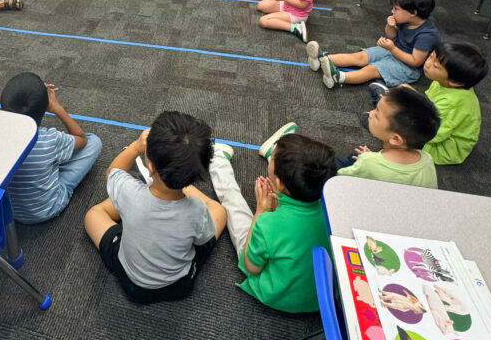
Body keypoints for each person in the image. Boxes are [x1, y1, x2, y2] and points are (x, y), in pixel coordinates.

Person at [84, 111, 227, 304]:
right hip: (179, 286)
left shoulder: (129, 193)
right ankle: (172, 183)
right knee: (219, 211)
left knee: (93, 214)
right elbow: (202, 239)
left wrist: (135, 146)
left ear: (150, 167)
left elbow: (112, 172)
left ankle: (151, 186)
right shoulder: (197, 210)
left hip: (132, 284)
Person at [208, 130, 337, 313]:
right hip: (324, 297)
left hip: (278, 295)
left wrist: (260, 213)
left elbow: (251, 267)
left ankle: (218, 160)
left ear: (279, 182)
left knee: (233, 204)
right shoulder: (334, 210)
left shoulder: (267, 223)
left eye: (274, 159)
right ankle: (278, 159)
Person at [1, 72, 102, 223]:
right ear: (44, 108)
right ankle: (55, 166)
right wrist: (56, 107)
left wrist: (38, 95)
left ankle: (53, 163)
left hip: (11, 212)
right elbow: (82, 139)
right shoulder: (51, 138)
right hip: (48, 209)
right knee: (94, 142)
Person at [309, 0, 441, 89]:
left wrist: (392, 49)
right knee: (359, 57)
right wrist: (390, 27)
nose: (392, 11)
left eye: (396, 9)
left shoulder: (427, 35)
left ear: (413, 13)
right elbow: (391, 36)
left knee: (372, 69)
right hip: (392, 50)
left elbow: (415, 61)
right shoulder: (405, 20)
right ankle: (321, 59)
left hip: (408, 67)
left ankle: (338, 77)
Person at [337, 86, 440, 188]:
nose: (371, 114)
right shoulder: (427, 159)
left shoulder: (368, 162)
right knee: (357, 156)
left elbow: (338, 178)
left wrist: (368, 159)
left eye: (377, 115)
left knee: (331, 160)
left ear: (395, 139)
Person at [421, 42, 488, 165]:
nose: (428, 63)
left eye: (436, 66)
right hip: (435, 122)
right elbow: (428, 102)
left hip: (445, 147)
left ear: (455, 82)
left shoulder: (452, 102)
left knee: (398, 138)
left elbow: (434, 134)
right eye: (431, 56)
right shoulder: (442, 81)